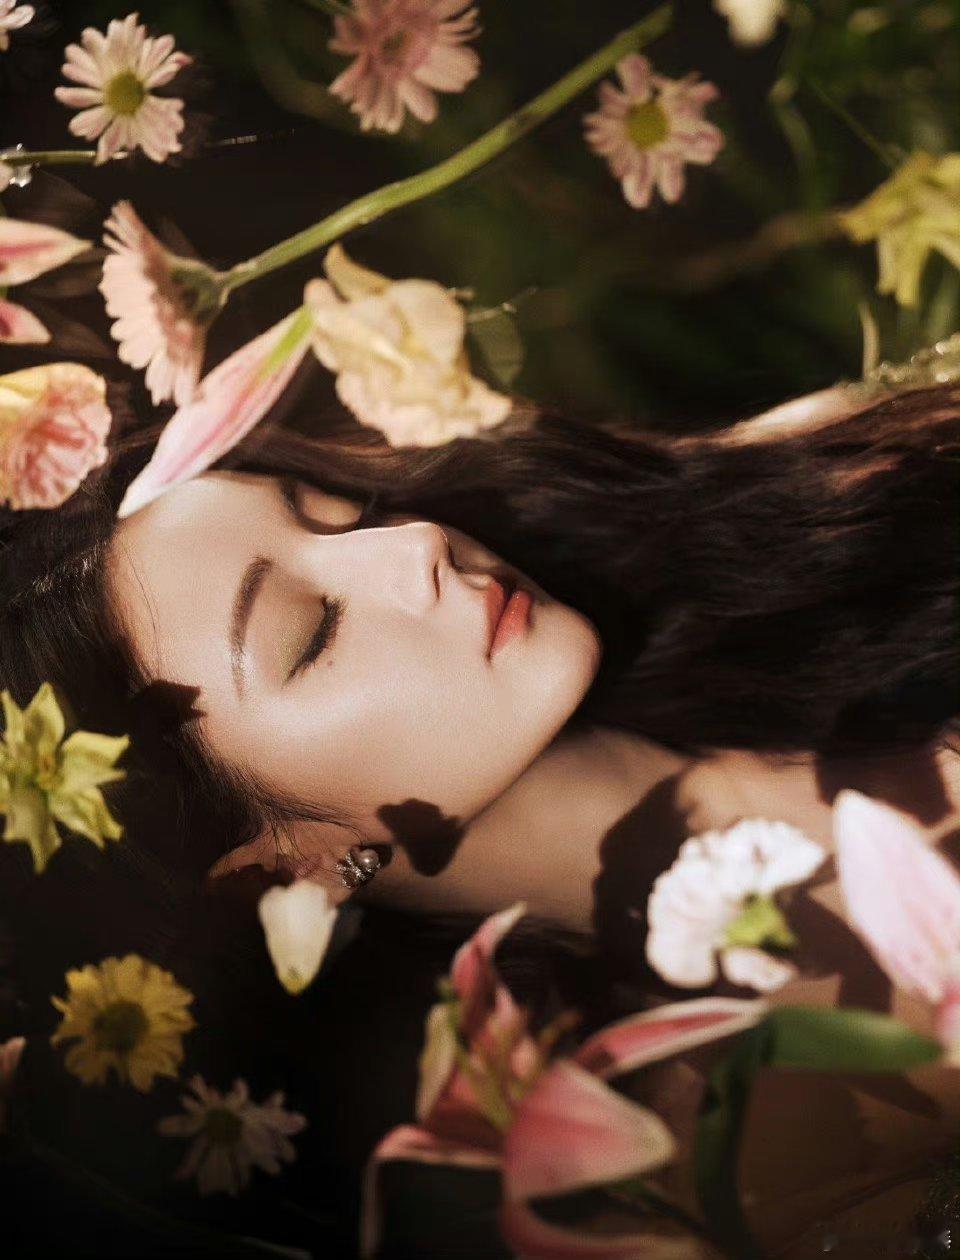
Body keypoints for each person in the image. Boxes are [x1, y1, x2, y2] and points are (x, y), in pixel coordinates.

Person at [2, 379, 960, 1258]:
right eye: (314, 631)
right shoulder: (686, 1171)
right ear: (280, 869)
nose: (413, 545)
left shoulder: (825, 496)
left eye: (338, 512)